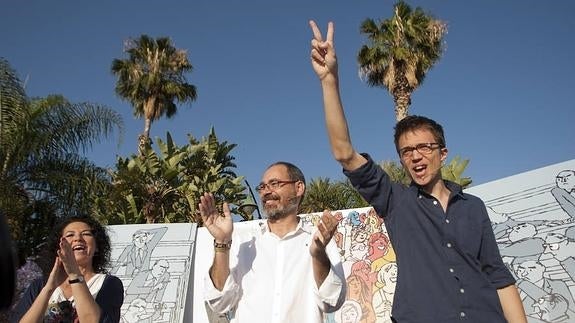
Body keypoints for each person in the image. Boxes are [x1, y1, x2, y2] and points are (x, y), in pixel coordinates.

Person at [309, 20, 527, 322]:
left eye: (424, 147)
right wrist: (329, 80)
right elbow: (344, 152)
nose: (416, 157)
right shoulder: (396, 201)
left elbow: (497, 275)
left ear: (443, 153)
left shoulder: (474, 208)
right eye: (407, 152)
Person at [200, 161, 346, 322]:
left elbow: (332, 300)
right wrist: (222, 242)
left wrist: (318, 254)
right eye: (262, 187)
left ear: (299, 188)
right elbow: (219, 303)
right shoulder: (245, 242)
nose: (266, 192)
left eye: (274, 184)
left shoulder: (318, 239)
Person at [11, 216, 124, 323]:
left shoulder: (109, 283)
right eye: (70, 235)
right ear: (59, 247)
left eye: (86, 234)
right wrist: (49, 289)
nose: (78, 239)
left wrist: (74, 274)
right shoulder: (40, 285)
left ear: (97, 246)